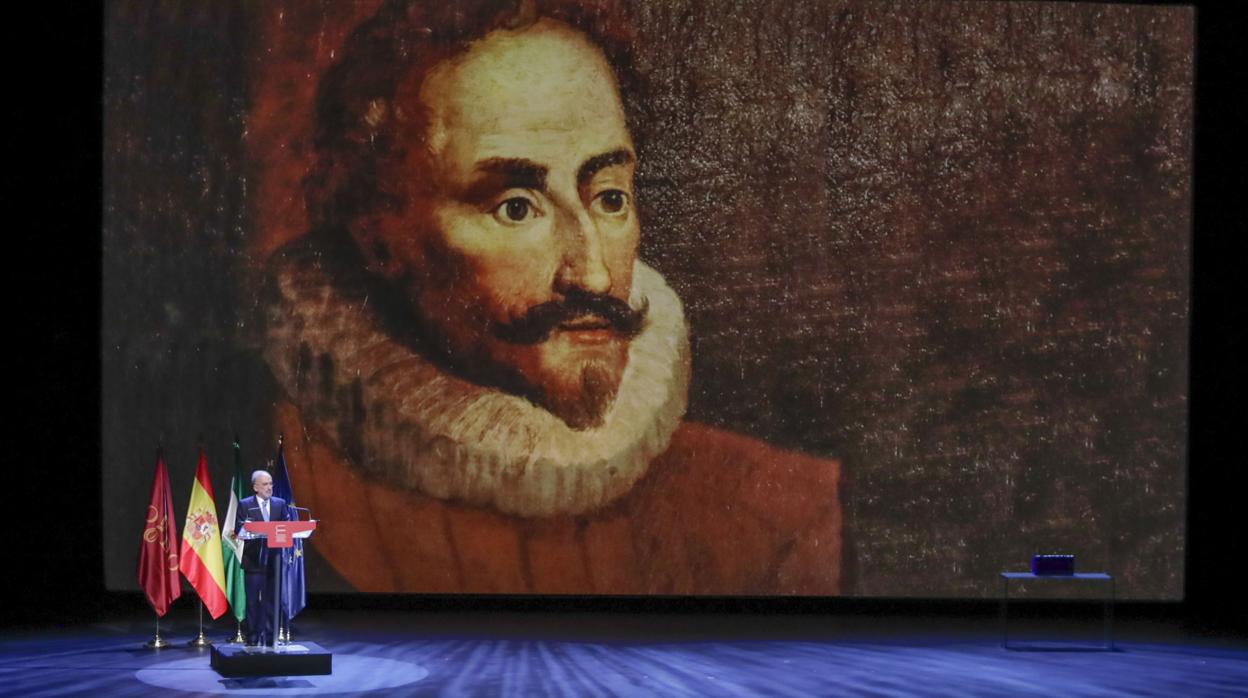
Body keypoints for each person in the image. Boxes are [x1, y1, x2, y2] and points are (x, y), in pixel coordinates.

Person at [259, 0, 843, 594]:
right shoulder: (271, 492)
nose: (591, 276)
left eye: (609, 197)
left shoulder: (778, 515)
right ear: (380, 237)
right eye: (516, 208)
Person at [236, 470, 290, 645]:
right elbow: (239, 530)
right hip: (253, 561)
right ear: (255, 487)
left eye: (271, 483)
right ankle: (252, 638)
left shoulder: (280, 504)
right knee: (252, 602)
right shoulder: (245, 505)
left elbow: (286, 527)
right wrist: (249, 530)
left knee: (272, 601)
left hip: (274, 561)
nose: (269, 487)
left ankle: (270, 638)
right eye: (265, 484)